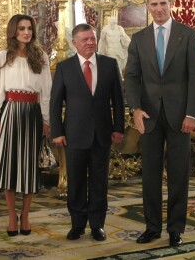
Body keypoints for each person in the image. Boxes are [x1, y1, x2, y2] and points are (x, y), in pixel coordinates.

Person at [124, 0, 195, 247]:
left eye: (162, 3)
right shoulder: (139, 39)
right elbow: (132, 78)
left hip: (181, 116)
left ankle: (176, 229)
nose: (158, 9)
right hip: (149, 117)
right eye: (153, 4)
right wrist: (135, 108)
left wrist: (192, 113)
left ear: (171, 4)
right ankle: (152, 227)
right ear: (147, 6)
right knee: (150, 175)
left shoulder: (187, 35)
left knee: (179, 174)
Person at [50, 23, 125, 241]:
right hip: (74, 135)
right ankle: (77, 224)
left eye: (92, 38)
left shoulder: (110, 65)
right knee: (76, 181)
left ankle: (97, 225)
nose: (90, 42)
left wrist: (118, 128)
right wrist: (57, 131)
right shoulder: (65, 67)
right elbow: (55, 103)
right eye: (85, 40)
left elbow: (118, 101)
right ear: (75, 43)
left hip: (103, 134)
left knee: (99, 182)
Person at [0, 14, 52, 236]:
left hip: (33, 114)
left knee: (30, 166)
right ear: (14, 31)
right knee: (10, 165)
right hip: (11, 112)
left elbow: (46, 93)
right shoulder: (3, 57)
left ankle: (25, 215)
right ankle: (11, 215)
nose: (26, 32)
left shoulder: (41, 57)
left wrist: (46, 120)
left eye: (29, 29)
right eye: (22, 28)